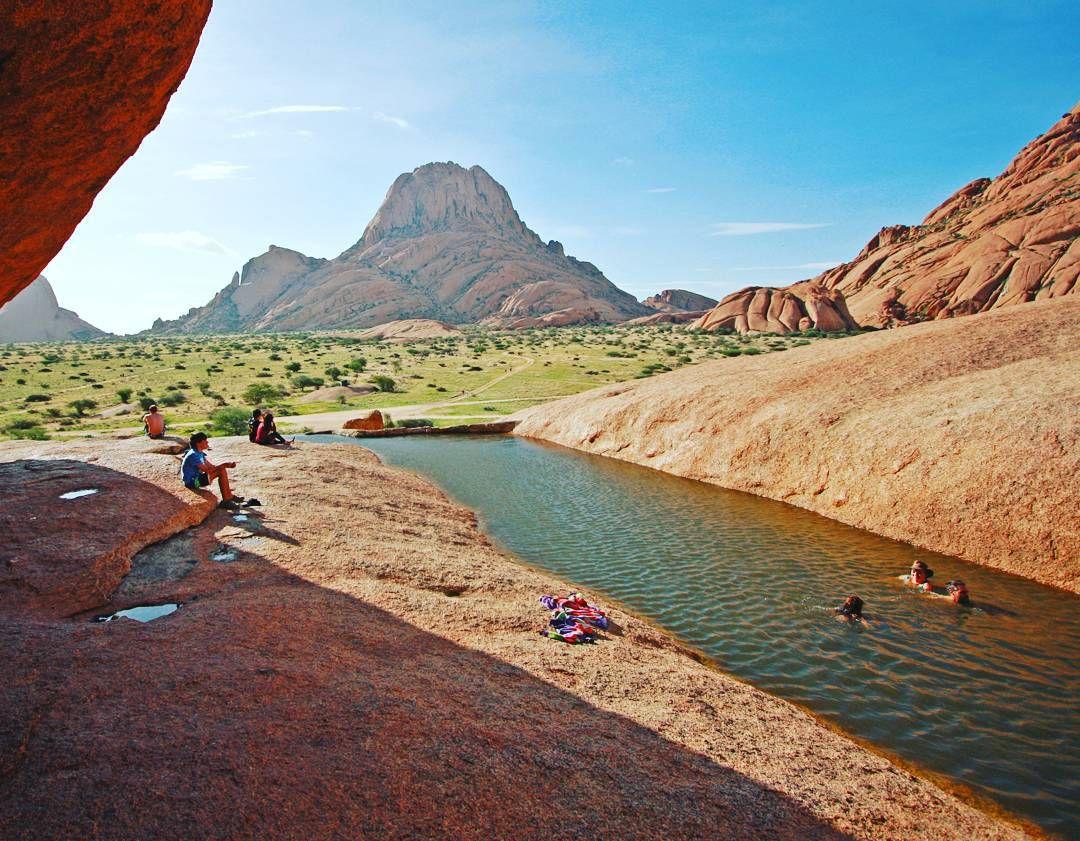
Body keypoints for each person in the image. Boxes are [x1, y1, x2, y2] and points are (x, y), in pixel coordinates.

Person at [181, 432, 242, 510]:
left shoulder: (200, 453)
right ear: (199, 443)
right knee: (221, 470)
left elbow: (211, 467)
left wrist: (225, 465)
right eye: (205, 440)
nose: (207, 442)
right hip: (192, 482)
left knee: (221, 470)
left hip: (197, 478)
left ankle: (228, 496)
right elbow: (207, 470)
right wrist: (224, 465)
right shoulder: (193, 455)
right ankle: (226, 500)